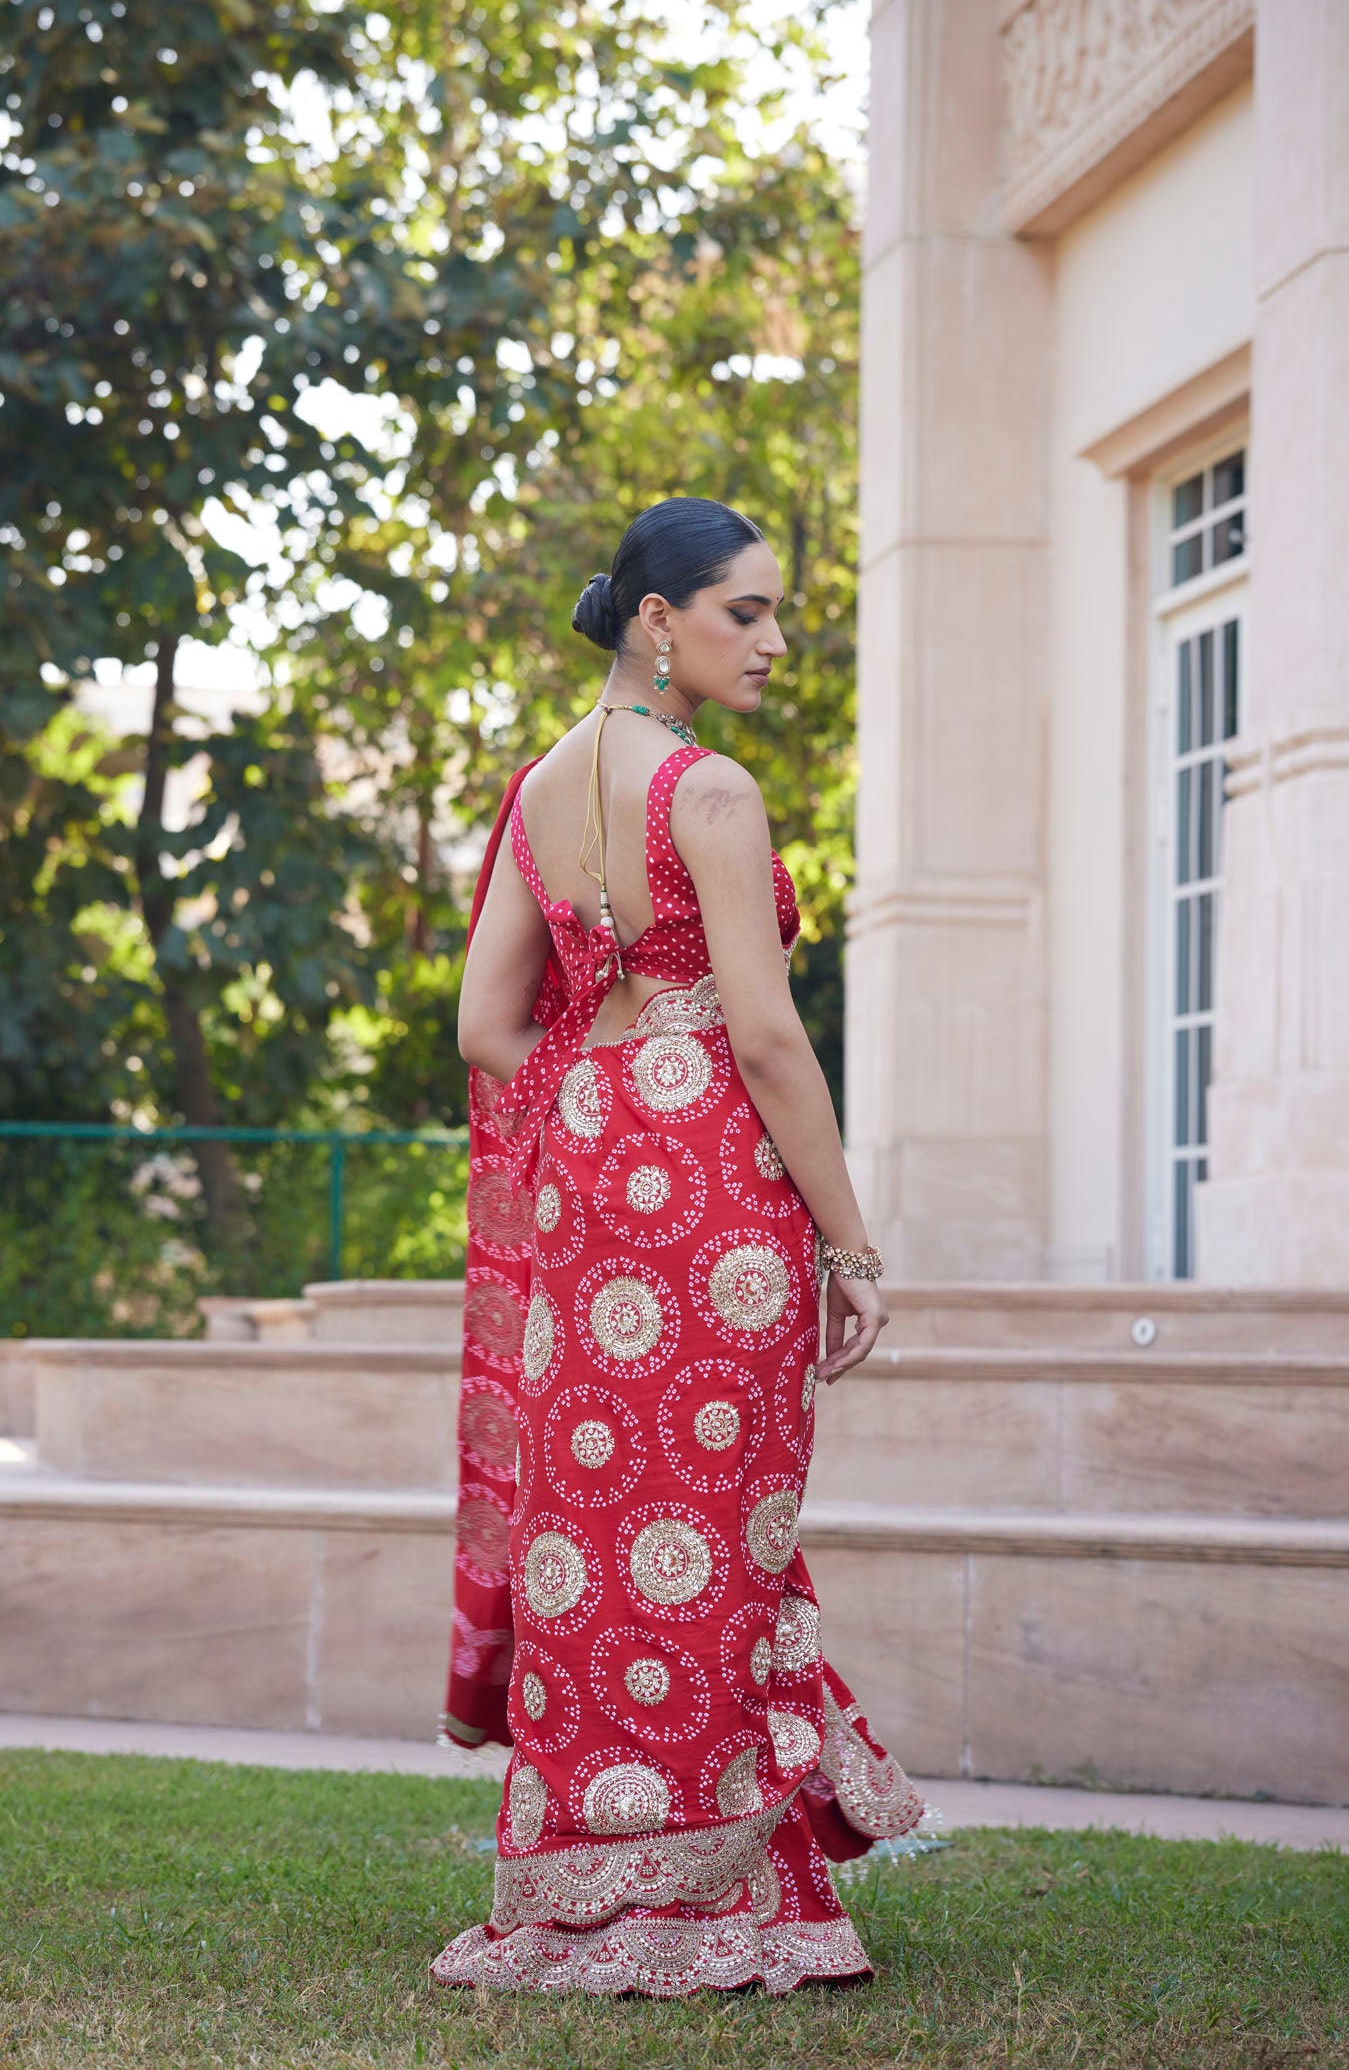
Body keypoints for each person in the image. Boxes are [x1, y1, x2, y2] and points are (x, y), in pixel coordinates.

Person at [430, 497, 927, 1998]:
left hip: (591, 1183)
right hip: (712, 1186)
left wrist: (597, 1093)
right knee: (714, 1531)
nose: (774, 642)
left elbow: (483, 1027)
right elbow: (769, 1041)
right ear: (661, 619)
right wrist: (852, 1249)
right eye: (747, 613)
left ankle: (584, 1885)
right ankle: (715, 1899)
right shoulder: (707, 794)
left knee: (598, 1537)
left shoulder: (539, 790)